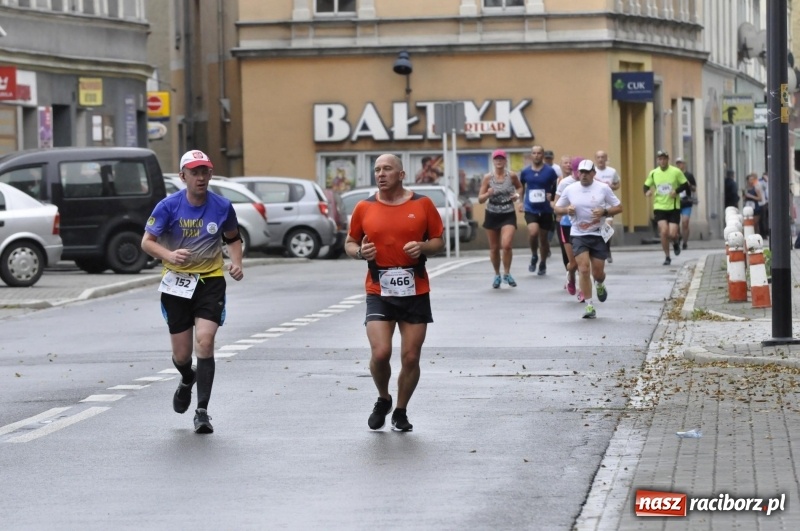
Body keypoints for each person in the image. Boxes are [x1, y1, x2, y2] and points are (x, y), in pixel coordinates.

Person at [141, 150, 244, 435]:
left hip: (210, 281)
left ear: (210, 175)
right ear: (182, 176)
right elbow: (147, 242)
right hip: (176, 283)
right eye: (194, 172)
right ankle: (188, 377)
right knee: (182, 355)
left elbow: (233, 238)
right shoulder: (168, 206)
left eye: (205, 172)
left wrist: (236, 263)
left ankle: (202, 412)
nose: (200, 178)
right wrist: (169, 255)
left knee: (206, 342)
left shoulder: (222, 206)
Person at [346, 153, 445, 433]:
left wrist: (423, 247)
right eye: (377, 169)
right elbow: (350, 242)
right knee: (381, 353)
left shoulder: (422, 204)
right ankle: (383, 398)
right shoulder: (364, 207)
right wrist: (359, 252)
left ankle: (400, 411)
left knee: (411, 357)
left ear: (401, 175)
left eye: (387, 169)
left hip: (415, 288)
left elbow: (438, 241)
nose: (381, 174)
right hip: (379, 287)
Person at [554, 160, 623, 319]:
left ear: (593, 173)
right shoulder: (570, 189)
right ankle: (589, 305)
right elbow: (557, 208)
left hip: (598, 234)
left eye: (587, 172)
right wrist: (567, 210)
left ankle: (600, 283)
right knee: (584, 269)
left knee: (598, 273)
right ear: (578, 173)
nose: (584, 175)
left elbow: (619, 207)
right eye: (581, 172)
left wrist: (604, 212)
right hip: (578, 234)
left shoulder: (603, 188)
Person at [478, 149, 523, 288]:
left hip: (508, 213)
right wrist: (488, 194)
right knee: (494, 248)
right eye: (496, 159)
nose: (499, 161)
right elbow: (480, 199)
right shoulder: (487, 178)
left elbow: (520, 188)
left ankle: (507, 273)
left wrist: (517, 196)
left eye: (501, 159)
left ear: (505, 161)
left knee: (507, 245)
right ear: (493, 161)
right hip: (492, 213)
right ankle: (497, 274)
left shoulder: (512, 176)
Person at [644, 150, 690, 266]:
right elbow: (645, 186)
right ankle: (667, 257)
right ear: (657, 160)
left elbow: (685, 185)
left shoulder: (676, 171)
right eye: (660, 159)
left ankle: (675, 242)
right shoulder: (653, 173)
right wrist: (647, 192)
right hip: (659, 206)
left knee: (672, 234)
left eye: (664, 159)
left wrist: (676, 191)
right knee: (664, 232)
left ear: (668, 160)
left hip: (673, 206)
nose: (662, 161)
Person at [518, 145, 559, 276]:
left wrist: (553, 198)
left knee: (544, 238)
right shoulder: (525, 172)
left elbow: (556, 186)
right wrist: (520, 202)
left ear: (542, 155)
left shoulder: (550, 171)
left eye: (539, 153)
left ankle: (543, 262)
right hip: (531, 208)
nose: (536, 155)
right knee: (533, 232)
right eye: (534, 153)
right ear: (531, 155)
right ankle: (534, 254)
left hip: (546, 209)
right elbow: (521, 187)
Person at [552, 156, 579, 299]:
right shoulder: (563, 182)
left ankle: (584, 290)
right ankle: (570, 275)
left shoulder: (592, 183)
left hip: (584, 226)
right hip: (566, 223)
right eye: (566, 163)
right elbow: (556, 204)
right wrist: (563, 211)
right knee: (571, 261)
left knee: (584, 261)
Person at [593, 150, 621, 263]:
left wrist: (612, 187)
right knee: (599, 229)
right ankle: (601, 249)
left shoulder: (612, 171)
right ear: (595, 159)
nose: (600, 159)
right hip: (596, 205)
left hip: (609, 205)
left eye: (602, 157)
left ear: (606, 159)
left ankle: (607, 249)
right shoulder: (592, 172)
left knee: (607, 227)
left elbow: (617, 184)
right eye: (598, 157)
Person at [675, 157, 697, 250]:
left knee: (685, 222)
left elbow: (694, 189)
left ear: (684, 164)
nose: (679, 165)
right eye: (677, 163)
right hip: (676, 202)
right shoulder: (674, 175)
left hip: (686, 202)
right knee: (675, 224)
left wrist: (689, 185)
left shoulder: (689, 175)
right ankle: (678, 237)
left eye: (680, 163)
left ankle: (685, 242)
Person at [758, 173, 770, 240]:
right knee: (763, 219)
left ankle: (767, 232)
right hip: (763, 203)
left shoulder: (769, 183)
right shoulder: (760, 182)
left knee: (767, 218)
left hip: (767, 202)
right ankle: (764, 233)